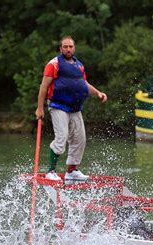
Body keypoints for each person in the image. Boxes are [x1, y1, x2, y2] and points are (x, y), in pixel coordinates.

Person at [36, 36, 107, 182]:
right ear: (60, 48)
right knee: (62, 136)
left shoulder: (79, 65)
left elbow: (84, 84)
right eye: (65, 46)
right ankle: (51, 171)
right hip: (58, 106)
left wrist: (98, 93)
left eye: (70, 46)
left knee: (80, 138)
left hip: (75, 108)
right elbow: (44, 87)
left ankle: (72, 170)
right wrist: (39, 108)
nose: (68, 49)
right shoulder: (54, 64)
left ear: (74, 48)